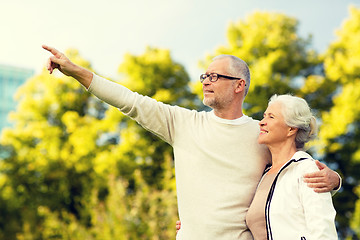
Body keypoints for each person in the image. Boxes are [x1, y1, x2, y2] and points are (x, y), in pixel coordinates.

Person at [42, 45, 340, 240]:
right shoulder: (182, 124)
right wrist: (77, 72)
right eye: (204, 75)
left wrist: (334, 179)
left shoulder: (260, 134)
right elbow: (130, 101)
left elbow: (293, 170)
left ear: (240, 86)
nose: (206, 81)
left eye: (215, 76)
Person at [245, 94, 337, 239]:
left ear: (291, 129)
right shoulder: (263, 175)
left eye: (271, 117)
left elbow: (323, 231)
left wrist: (337, 180)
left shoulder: (306, 170)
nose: (261, 122)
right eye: (264, 116)